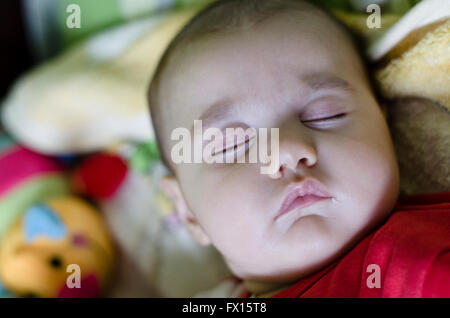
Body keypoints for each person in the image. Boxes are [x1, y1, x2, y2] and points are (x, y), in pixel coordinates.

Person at [147, 0, 450, 297]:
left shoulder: (424, 252)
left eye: (327, 114)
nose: (287, 150)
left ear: (384, 126)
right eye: (232, 145)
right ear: (187, 212)